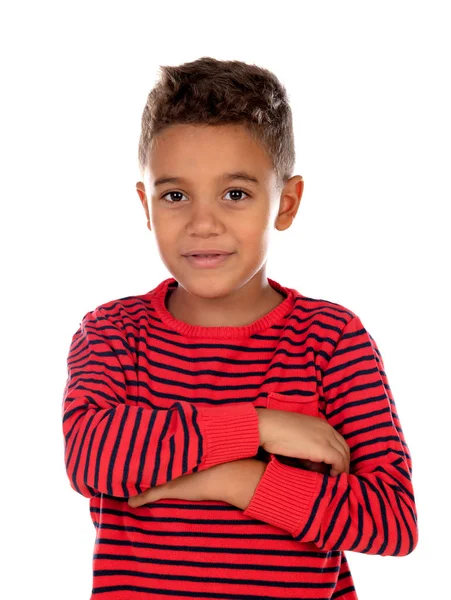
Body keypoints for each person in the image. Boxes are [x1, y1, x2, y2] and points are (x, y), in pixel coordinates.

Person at [61, 56, 418, 600]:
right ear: (146, 205)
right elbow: (92, 456)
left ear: (287, 202)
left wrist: (234, 481)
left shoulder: (330, 339)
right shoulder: (114, 332)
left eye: (236, 194)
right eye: (175, 195)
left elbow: (390, 521)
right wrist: (256, 428)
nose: (204, 223)